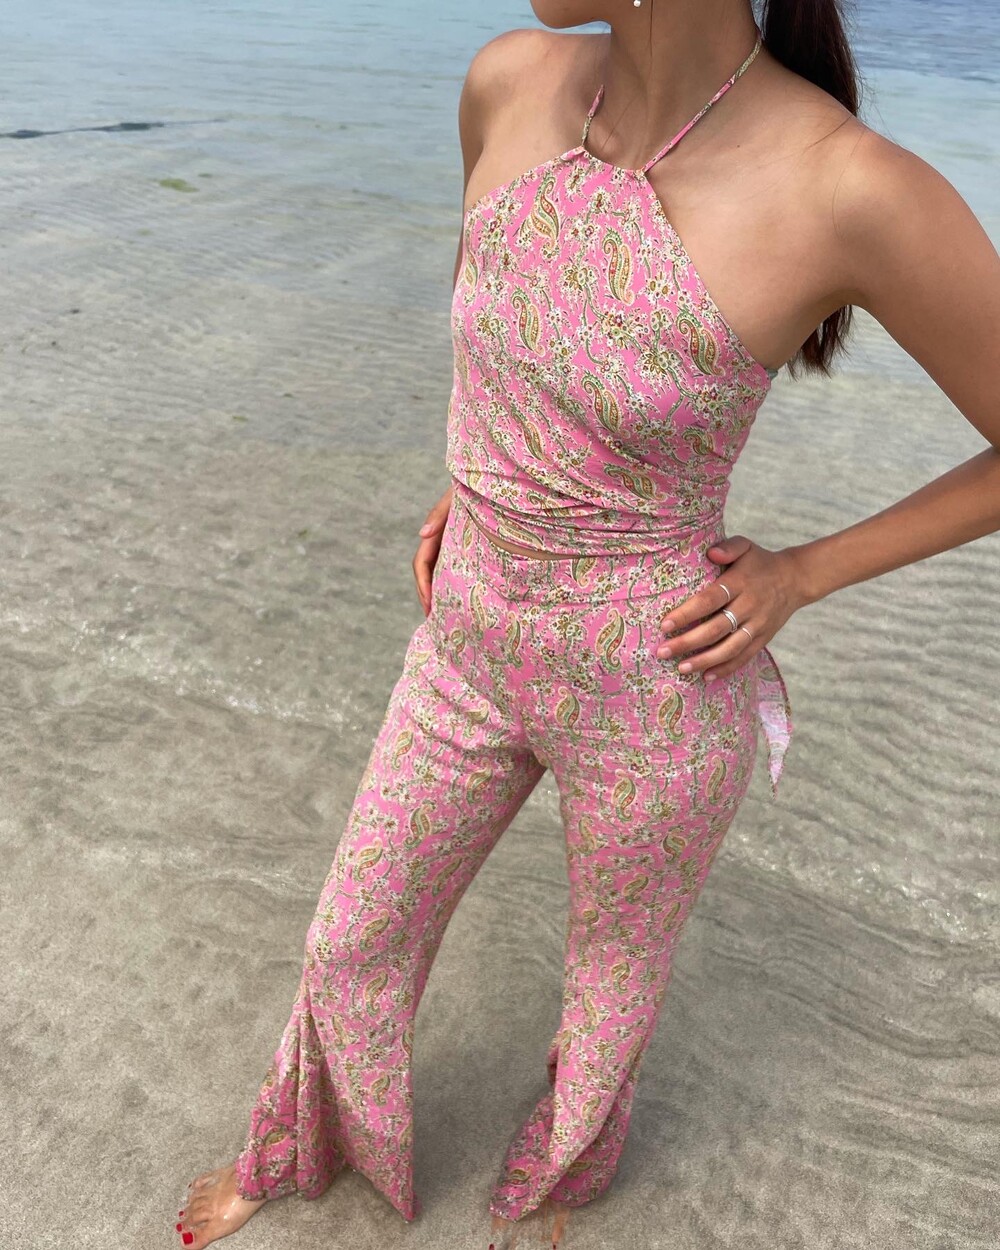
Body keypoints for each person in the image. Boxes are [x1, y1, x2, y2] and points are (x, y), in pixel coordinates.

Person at [173, 1, 1000, 1247]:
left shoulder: (846, 186)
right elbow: (505, 321)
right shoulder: (507, 81)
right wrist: (485, 477)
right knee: (351, 940)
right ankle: (301, 1143)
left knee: (608, 984)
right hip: (468, 636)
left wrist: (803, 573)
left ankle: (559, 1182)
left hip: (656, 676)